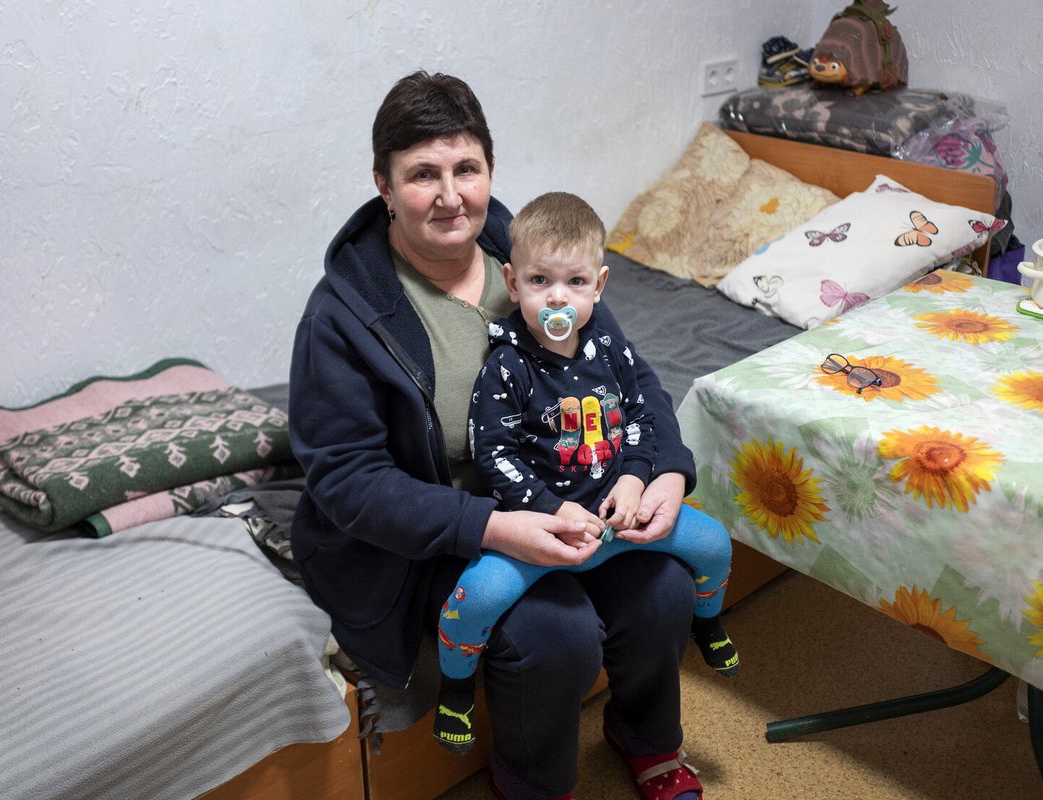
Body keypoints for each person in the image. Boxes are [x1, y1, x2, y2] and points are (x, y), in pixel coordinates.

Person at [290, 71, 712, 800]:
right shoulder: (342, 317)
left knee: (664, 590)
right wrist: (492, 526)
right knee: (557, 634)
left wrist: (666, 469)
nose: (450, 195)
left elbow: (633, 380)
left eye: (467, 168)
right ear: (383, 187)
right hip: (439, 532)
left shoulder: (540, 270)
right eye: (423, 174)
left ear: (490, 170)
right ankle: (533, 784)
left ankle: (644, 737)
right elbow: (345, 482)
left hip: (573, 499)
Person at [433, 192, 738, 756]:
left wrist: (639, 477)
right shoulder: (506, 364)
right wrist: (548, 507)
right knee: (476, 596)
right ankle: (455, 691)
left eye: (574, 283)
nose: (557, 298)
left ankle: (708, 622)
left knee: (715, 542)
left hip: (618, 521)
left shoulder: (608, 347)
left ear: (598, 286)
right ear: (512, 281)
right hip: (545, 528)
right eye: (540, 281)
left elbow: (645, 414)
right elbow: (493, 454)